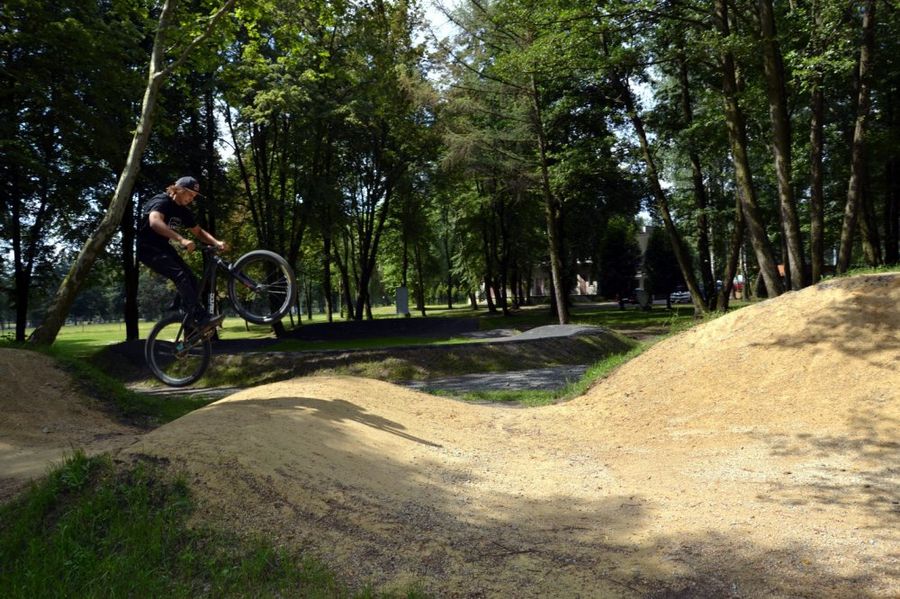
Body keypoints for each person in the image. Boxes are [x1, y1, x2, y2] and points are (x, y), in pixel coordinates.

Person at [137, 176, 228, 331]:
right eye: (190, 194)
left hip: (163, 247)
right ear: (178, 190)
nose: (191, 199)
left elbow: (198, 232)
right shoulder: (162, 201)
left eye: (194, 196)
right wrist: (181, 239)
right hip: (148, 249)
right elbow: (155, 221)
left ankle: (186, 317)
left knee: (191, 279)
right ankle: (199, 316)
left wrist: (216, 242)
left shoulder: (183, 211)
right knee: (180, 275)